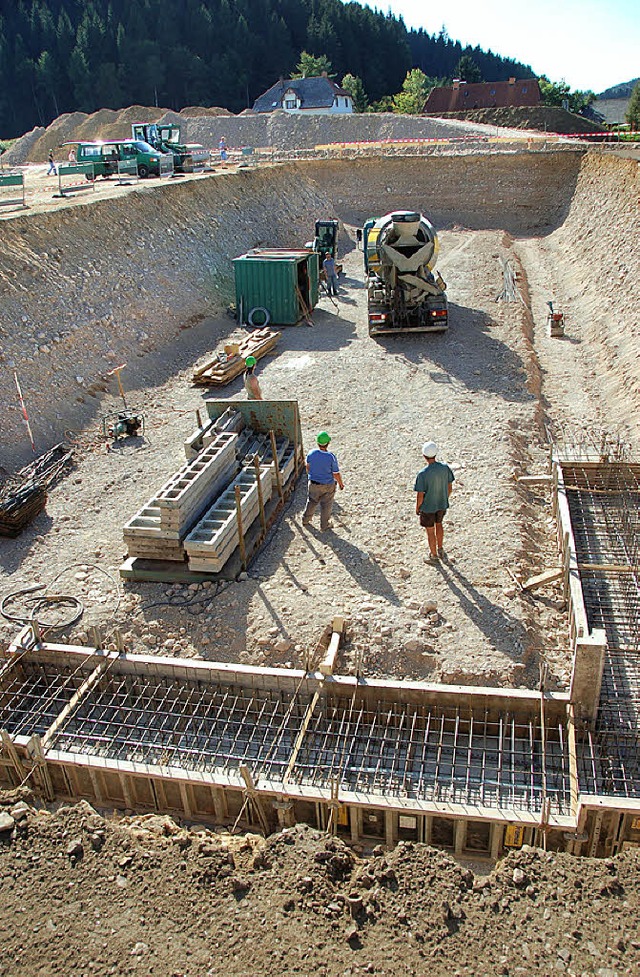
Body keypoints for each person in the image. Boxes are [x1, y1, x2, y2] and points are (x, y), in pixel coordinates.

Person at [414, 441, 454, 563]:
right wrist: (444, 497)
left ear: (424, 456)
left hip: (428, 507)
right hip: (441, 504)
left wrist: (418, 507)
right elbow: (449, 487)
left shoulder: (422, 474)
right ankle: (440, 548)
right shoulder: (445, 468)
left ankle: (433, 555)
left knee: (430, 531)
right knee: (439, 525)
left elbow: (420, 495)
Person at [302, 431, 344, 532]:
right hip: (328, 485)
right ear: (328, 443)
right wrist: (341, 484)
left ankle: (305, 520)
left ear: (317, 443)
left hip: (313, 483)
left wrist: (311, 476)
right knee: (326, 504)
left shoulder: (311, 453)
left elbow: (307, 467)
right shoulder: (331, 457)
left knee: (312, 501)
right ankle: (324, 525)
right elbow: (336, 473)